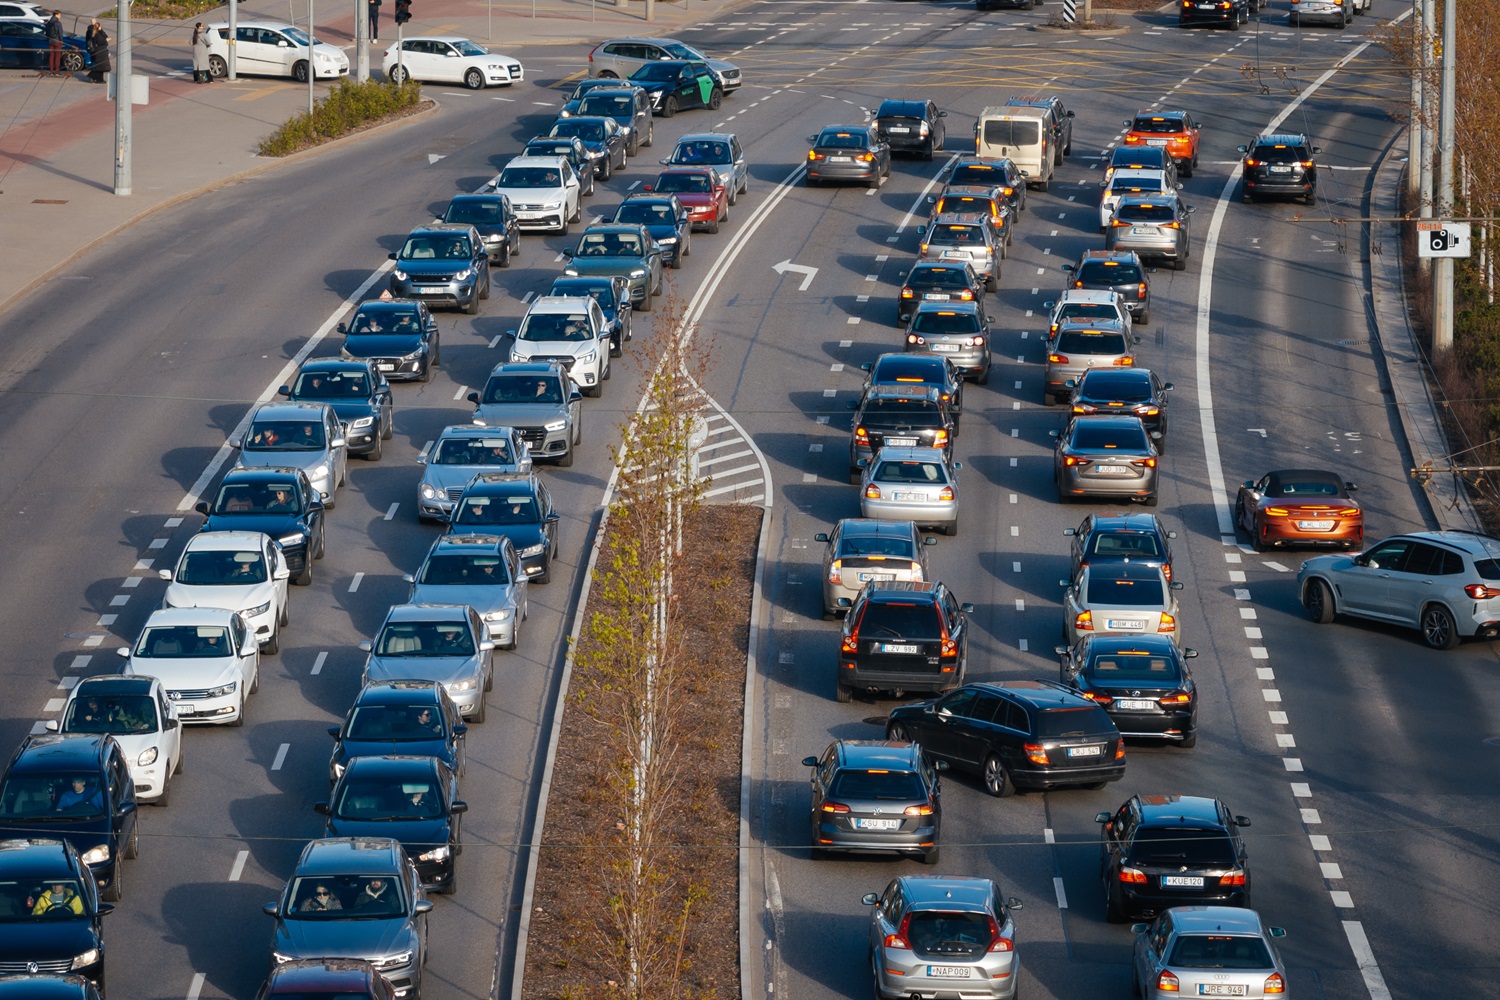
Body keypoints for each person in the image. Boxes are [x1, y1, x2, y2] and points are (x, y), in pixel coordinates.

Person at [86, 19, 110, 84]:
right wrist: (106, 41)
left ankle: (99, 79)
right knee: (100, 66)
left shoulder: (99, 32)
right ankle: (91, 76)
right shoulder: (97, 34)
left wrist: (101, 30)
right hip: (100, 52)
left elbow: (105, 36)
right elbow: (100, 41)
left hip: (101, 51)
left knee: (101, 67)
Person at [44, 10, 63, 77]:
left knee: (51, 56)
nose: (60, 16)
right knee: (57, 56)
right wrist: (61, 40)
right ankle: (57, 71)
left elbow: (46, 31)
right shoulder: (58, 23)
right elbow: (60, 33)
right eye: (60, 15)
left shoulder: (49, 22)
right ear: (56, 14)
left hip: (50, 41)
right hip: (57, 41)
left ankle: (51, 71)